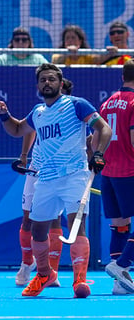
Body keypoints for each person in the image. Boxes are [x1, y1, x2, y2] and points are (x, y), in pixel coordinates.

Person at [0, 63, 112, 298]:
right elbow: (16, 130)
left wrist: (98, 154)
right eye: (43, 79)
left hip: (74, 175)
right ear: (38, 85)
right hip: (46, 179)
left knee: (77, 226)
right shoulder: (37, 112)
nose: (47, 83)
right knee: (38, 231)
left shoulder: (76, 104)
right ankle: (45, 274)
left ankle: (79, 281)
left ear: (60, 82)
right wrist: (3, 115)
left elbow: (104, 128)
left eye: (52, 79)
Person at [15, 78, 75, 287]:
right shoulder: (41, 111)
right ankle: (25, 264)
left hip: (58, 173)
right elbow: (28, 130)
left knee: (55, 221)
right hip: (36, 170)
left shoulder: (73, 112)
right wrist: (24, 155)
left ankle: (52, 272)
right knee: (28, 220)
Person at [99, 59, 134, 295]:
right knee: (122, 226)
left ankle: (119, 283)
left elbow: (96, 139)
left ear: (122, 76)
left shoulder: (107, 103)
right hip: (130, 170)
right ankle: (121, 265)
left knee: (119, 226)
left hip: (109, 172)